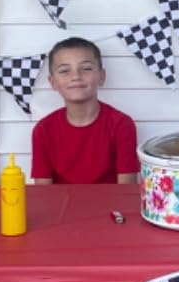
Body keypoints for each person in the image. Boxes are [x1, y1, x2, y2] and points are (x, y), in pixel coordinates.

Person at [30, 37, 138, 185]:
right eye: (65, 71)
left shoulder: (121, 125)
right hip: (61, 207)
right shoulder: (43, 130)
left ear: (102, 76)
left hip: (110, 206)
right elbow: (43, 193)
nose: (76, 77)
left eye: (86, 68)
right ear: (52, 82)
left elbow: (126, 189)